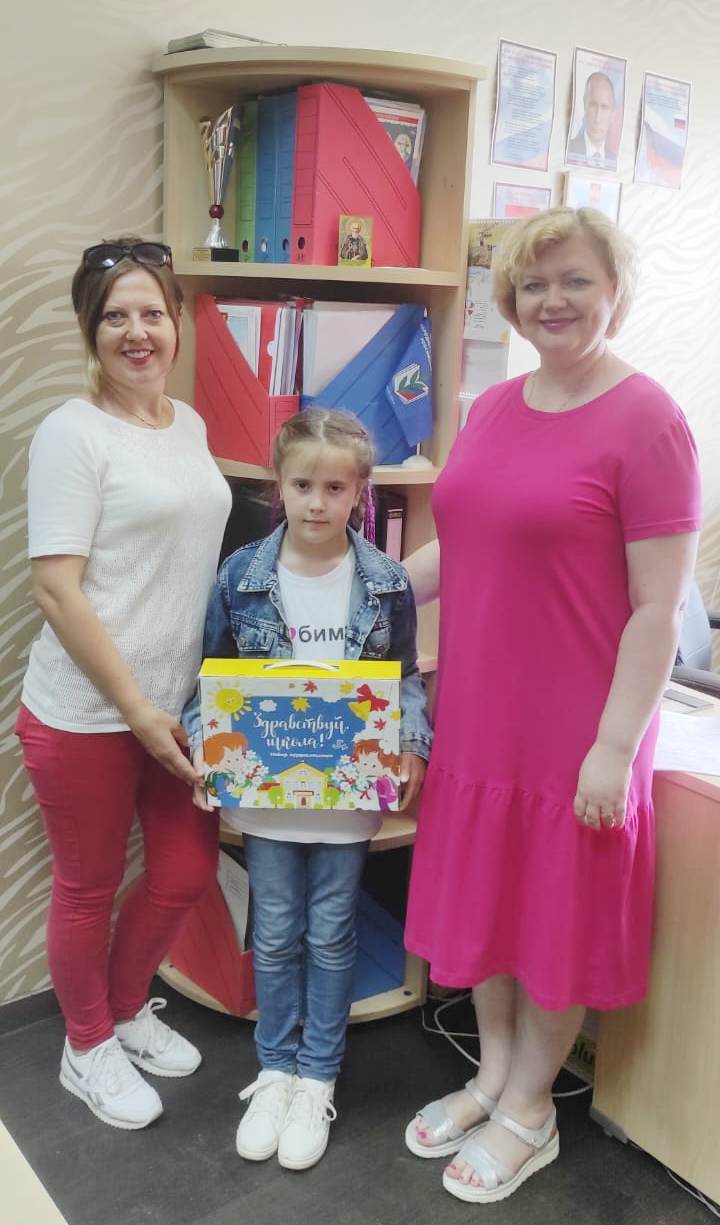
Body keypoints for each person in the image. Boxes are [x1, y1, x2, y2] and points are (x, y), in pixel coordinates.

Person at [402, 207, 701, 1204]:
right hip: (481, 709)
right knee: (490, 901)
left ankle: (532, 1110)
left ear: (615, 291)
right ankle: (494, 1075)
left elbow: (660, 607)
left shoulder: (650, 420)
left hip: (581, 725)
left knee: (554, 919)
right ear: (511, 300)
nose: (553, 300)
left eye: (575, 280)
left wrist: (615, 744)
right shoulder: (492, 406)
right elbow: (463, 544)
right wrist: (360, 588)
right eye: (534, 284)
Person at [15, 238, 232, 1130]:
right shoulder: (72, 432)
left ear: (177, 322)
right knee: (88, 885)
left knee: (183, 871)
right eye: (115, 317)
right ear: (90, 330)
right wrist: (136, 709)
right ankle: (87, 1044)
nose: (136, 332)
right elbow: (55, 588)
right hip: (86, 712)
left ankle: (126, 1006)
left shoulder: (189, 424)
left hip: (177, 707)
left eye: (152, 312)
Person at [183, 408, 432, 1170]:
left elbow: (404, 678)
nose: (317, 502)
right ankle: (275, 1070)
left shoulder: (385, 582)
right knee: (275, 932)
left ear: (360, 491)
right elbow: (210, 677)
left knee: (329, 934)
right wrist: (206, 746)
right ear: (278, 486)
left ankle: (316, 1073)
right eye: (301, 485)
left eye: (334, 487)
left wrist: (411, 742)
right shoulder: (242, 575)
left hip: (346, 804)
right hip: (266, 801)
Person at [567, 71, 619, 170]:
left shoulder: (615, 161)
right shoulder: (568, 149)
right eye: (593, 105)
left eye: (604, 107)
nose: (597, 118)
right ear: (584, 105)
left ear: (613, 114)